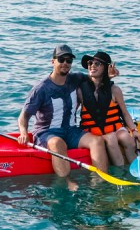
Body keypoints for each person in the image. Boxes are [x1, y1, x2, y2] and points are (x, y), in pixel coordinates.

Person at [17, 45, 106, 177]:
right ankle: (67, 183)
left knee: (97, 141)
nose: (65, 63)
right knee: (58, 143)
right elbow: (24, 116)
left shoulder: (75, 79)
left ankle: (101, 183)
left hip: (71, 130)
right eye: (61, 59)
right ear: (53, 61)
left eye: (69, 60)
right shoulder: (41, 89)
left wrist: (107, 75)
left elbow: (94, 78)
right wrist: (23, 133)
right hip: (46, 133)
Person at [79, 51, 140, 167]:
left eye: (97, 64)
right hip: (93, 132)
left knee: (126, 138)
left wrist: (134, 130)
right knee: (111, 138)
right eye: (90, 63)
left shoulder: (115, 90)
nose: (92, 66)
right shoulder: (81, 91)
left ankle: (135, 169)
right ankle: (120, 173)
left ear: (106, 68)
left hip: (114, 128)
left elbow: (125, 113)